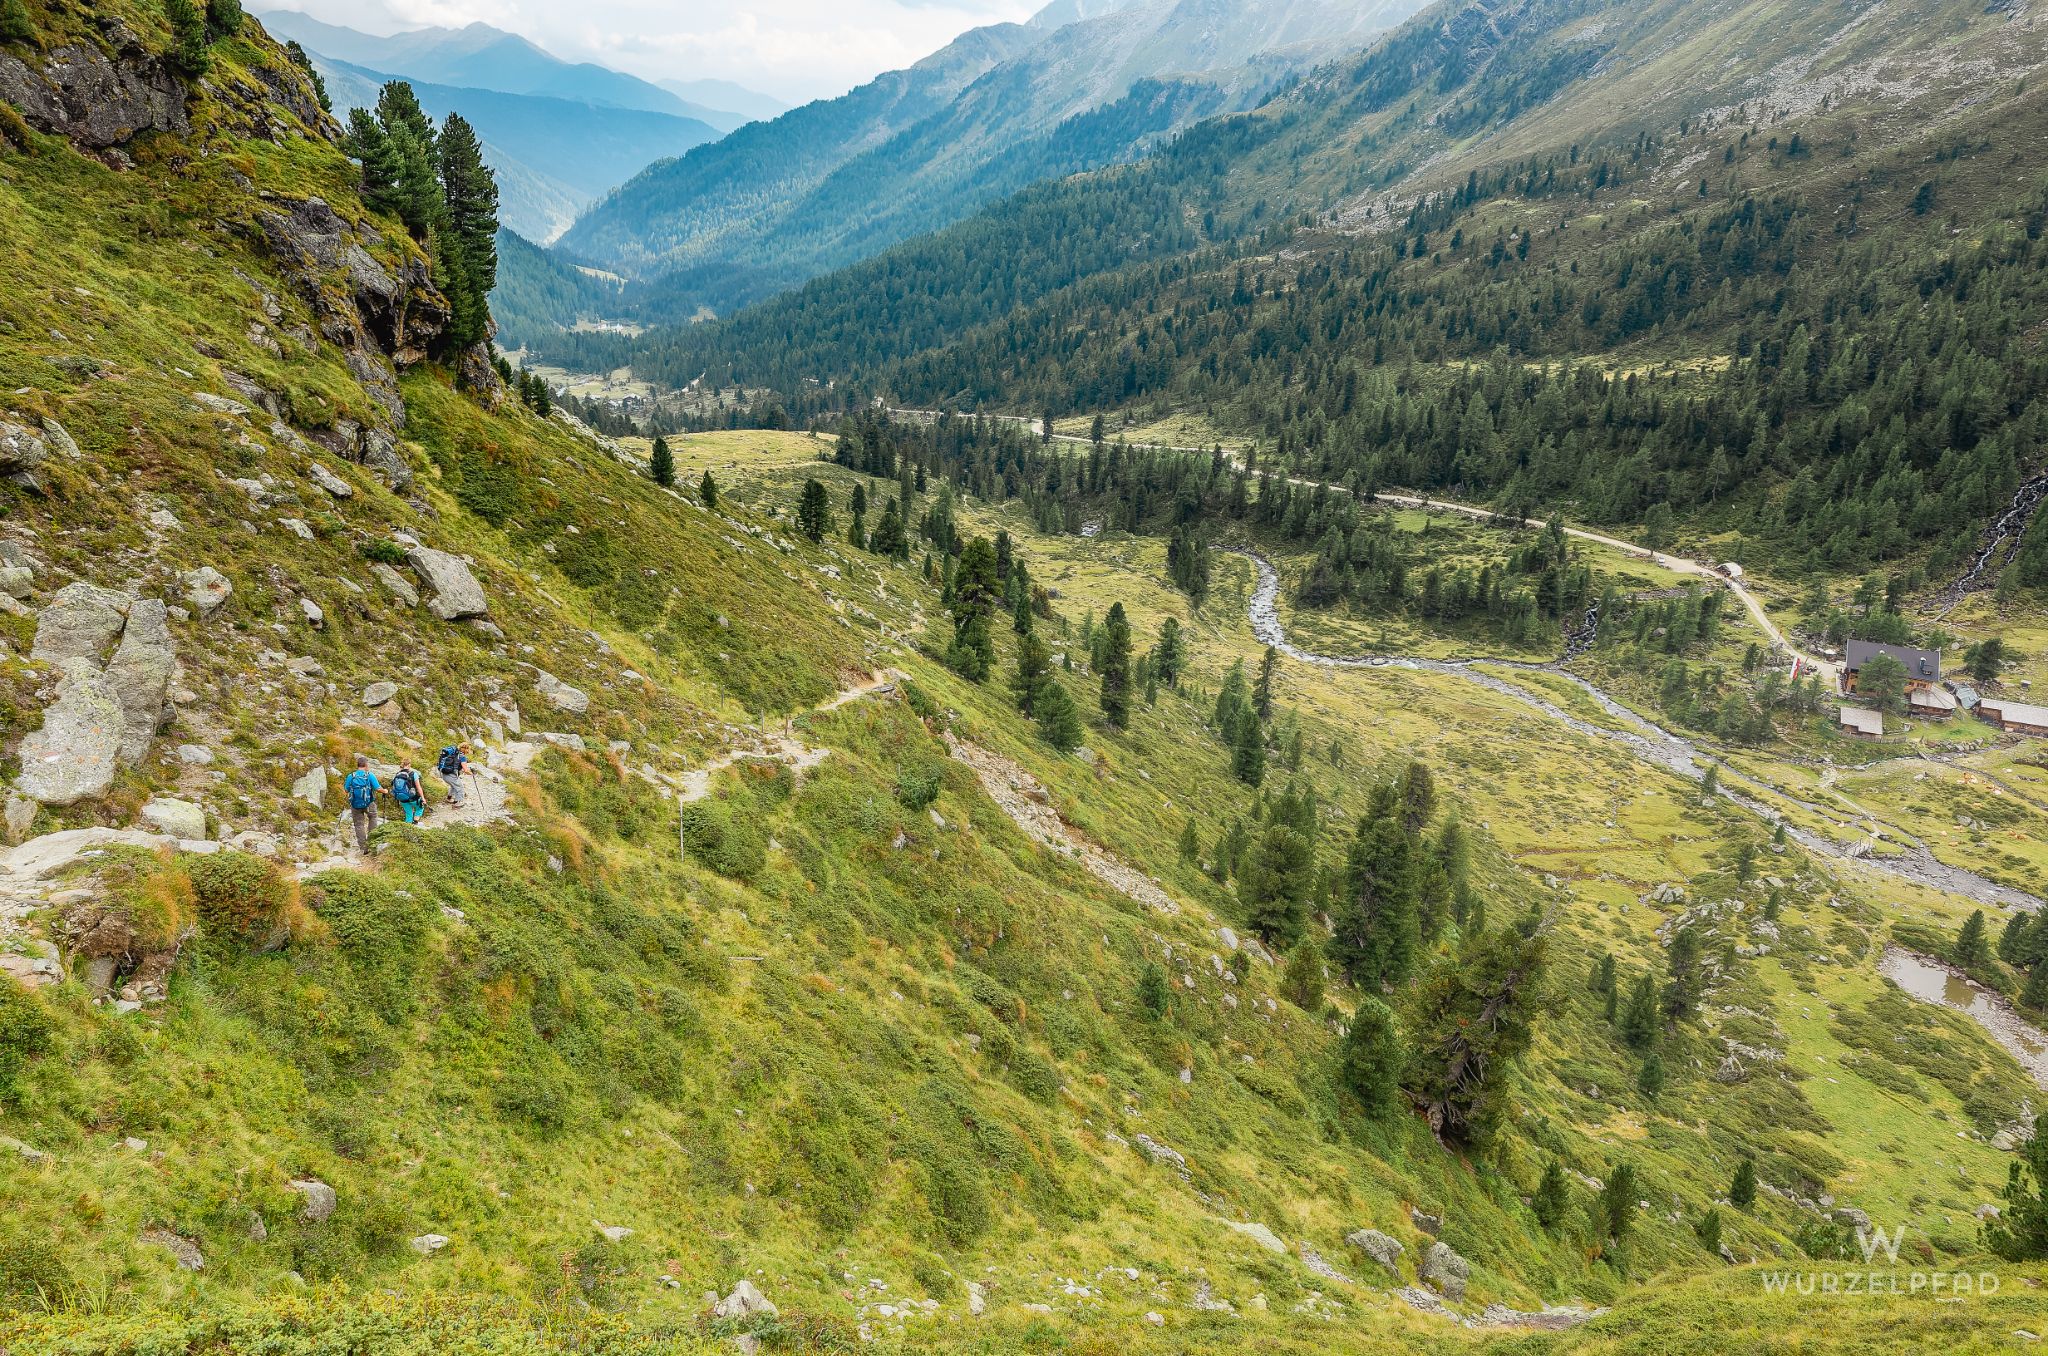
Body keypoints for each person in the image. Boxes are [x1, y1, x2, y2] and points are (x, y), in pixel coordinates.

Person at [343, 754, 382, 853]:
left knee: (359, 824)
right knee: (372, 818)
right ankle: (372, 842)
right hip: (369, 803)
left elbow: (346, 790)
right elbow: (377, 788)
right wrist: (385, 791)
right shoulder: (370, 775)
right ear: (365, 765)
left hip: (355, 804)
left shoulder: (351, 776)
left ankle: (364, 848)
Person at [391, 757, 427, 825]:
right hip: (413, 798)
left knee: (408, 813)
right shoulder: (413, 774)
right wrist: (423, 798)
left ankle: (408, 827)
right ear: (409, 764)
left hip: (402, 798)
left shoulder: (397, 774)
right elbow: (418, 787)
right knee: (420, 808)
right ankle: (415, 822)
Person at [438, 743, 472, 807]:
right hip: (451, 775)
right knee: (460, 787)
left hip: (444, 773)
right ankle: (458, 802)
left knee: (453, 786)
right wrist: (472, 774)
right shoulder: (462, 756)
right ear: (465, 749)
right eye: (468, 749)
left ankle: (449, 798)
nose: (468, 751)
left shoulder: (453, 753)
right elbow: (466, 770)